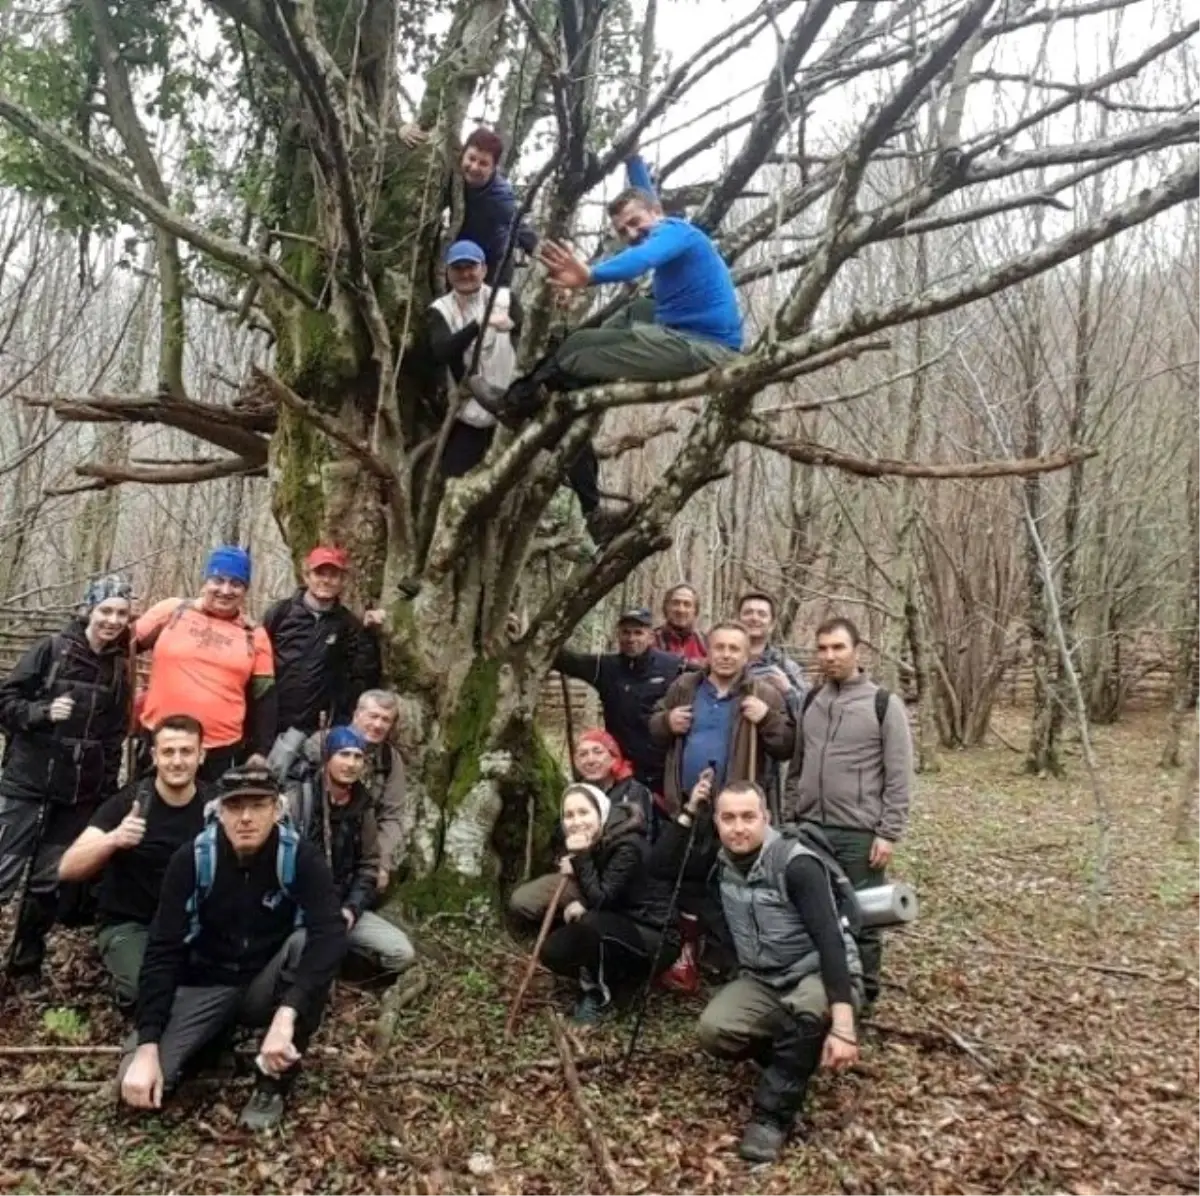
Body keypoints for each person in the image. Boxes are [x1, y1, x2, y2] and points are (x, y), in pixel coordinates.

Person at [118, 766, 346, 1130]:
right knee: (134, 1084)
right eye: (235, 806)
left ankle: (272, 1084)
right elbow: (162, 949)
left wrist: (289, 1013)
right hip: (205, 982)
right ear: (219, 811)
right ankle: (209, 1042)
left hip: (265, 984)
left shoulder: (299, 856)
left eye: (258, 806)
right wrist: (147, 1044)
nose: (245, 818)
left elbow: (330, 932)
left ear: (277, 810)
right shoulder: (192, 859)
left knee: (306, 945)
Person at [698, 781, 863, 1164]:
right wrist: (689, 808)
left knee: (806, 1012)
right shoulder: (718, 863)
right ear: (717, 823)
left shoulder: (797, 863)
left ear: (766, 818)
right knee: (714, 1031)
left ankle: (771, 1118)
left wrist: (843, 1026)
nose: (738, 828)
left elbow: (831, 943)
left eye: (748, 817)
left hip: (819, 971)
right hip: (763, 977)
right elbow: (662, 868)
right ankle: (796, 1050)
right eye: (728, 818)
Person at [477, 184, 742, 422]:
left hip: (707, 350)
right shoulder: (668, 228)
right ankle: (572, 378)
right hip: (688, 333)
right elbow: (644, 193)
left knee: (575, 349)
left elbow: (641, 259)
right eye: (623, 231)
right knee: (635, 311)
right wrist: (632, 157)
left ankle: (514, 405)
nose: (632, 233)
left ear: (656, 212)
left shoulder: (675, 232)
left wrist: (590, 276)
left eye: (635, 222)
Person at [0, 575, 134, 982]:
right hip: (26, 784)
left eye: (121, 613)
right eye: (105, 610)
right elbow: (6, 702)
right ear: (87, 610)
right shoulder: (51, 650)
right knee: (3, 872)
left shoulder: (119, 668)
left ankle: (24, 968)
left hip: (78, 796)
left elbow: (114, 737)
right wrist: (40, 713)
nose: (112, 620)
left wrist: (104, 795)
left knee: (48, 882)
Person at [783, 616, 912, 1009]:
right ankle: (820, 989)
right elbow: (797, 766)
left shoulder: (882, 704)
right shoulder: (811, 700)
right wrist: (791, 816)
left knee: (864, 915)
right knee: (812, 911)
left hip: (858, 832)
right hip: (809, 829)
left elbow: (900, 773)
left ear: (857, 651)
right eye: (822, 648)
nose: (829, 656)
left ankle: (863, 997)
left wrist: (888, 831)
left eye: (838, 648)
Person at [58, 714, 210, 1010]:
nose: (177, 761)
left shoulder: (214, 805)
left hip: (192, 924)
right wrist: (113, 839)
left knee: (215, 990)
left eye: (186, 751)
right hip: (130, 924)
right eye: (168, 752)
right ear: (154, 755)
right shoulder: (128, 803)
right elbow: (67, 866)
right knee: (150, 992)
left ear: (201, 755)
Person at [523, 782, 678, 1023]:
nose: (576, 822)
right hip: (619, 925)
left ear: (602, 813)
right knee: (555, 950)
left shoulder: (628, 846)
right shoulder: (598, 840)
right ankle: (620, 981)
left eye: (584, 812)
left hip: (654, 936)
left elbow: (602, 898)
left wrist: (582, 858)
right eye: (569, 815)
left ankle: (600, 995)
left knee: (590, 923)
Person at [282, 726, 415, 980]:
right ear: (328, 758)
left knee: (401, 954)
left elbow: (368, 866)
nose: (351, 764)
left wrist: (352, 909)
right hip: (299, 913)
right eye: (344, 754)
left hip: (343, 909)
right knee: (300, 953)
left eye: (358, 757)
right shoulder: (299, 801)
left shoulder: (363, 808)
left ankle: (343, 961)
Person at [135, 545, 276, 781]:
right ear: (205, 582)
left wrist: (261, 751)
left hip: (220, 749)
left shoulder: (254, 634)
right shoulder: (172, 611)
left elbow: (266, 698)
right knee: (148, 812)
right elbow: (119, 646)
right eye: (218, 580)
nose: (225, 590)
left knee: (209, 815)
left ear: (245, 590)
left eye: (236, 583)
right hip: (161, 741)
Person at [647, 622, 794, 816]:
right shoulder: (685, 686)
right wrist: (667, 721)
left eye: (734, 649)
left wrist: (767, 719)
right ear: (708, 652)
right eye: (719, 647)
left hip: (737, 812)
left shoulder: (764, 694)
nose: (726, 655)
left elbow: (786, 747)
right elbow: (653, 728)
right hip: (685, 805)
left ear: (746, 656)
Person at [554, 607, 684, 798]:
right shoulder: (605, 667)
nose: (631, 639)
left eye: (638, 633)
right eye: (626, 632)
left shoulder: (672, 666)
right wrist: (524, 634)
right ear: (618, 635)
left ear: (650, 636)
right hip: (621, 770)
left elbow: (709, 675)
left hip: (664, 769)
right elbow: (565, 660)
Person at [427, 239, 524, 478]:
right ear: (448, 273)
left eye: (471, 267)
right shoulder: (439, 309)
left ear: (484, 269)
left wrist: (511, 326)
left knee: (512, 480)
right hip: (469, 412)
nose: (465, 274)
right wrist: (477, 325)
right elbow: (441, 351)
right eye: (457, 268)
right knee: (454, 479)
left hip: (514, 406)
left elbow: (530, 337)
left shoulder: (505, 298)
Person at [262, 545, 383, 735]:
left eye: (333, 575)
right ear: (307, 576)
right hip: (272, 721)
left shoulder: (348, 625)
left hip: (318, 728)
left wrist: (368, 633)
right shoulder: (281, 613)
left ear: (342, 581)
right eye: (320, 573)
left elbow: (362, 674)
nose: (326, 581)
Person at [454, 126, 538, 288]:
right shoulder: (452, 169)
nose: (474, 167)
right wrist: (404, 130)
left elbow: (520, 229)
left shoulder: (500, 198)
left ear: (493, 168)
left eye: (483, 163)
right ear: (462, 155)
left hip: (492, 268)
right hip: (457, 256)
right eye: (471, 159)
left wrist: (544, 256)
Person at [737, 591, 807, 715]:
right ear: (737, 620)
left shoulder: (786, 667)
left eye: (762, 614)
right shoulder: (721, 660)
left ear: (772, 624)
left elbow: (807, 713)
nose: (754, 618)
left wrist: (788, 691)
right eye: (748, 613)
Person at [653, 583, 707, 662]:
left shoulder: (705, 643)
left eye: (687, 604)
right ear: (666, 607)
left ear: (695, 610)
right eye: (675, 603)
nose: (681, 610)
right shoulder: (652, 641)